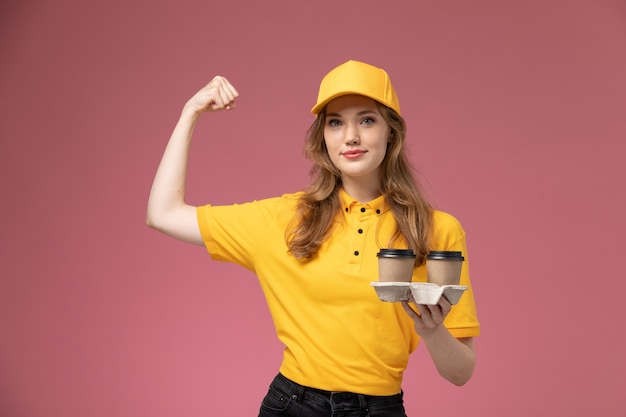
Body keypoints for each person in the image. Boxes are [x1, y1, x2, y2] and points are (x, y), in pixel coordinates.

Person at [146, 60, 480, 417]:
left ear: (391, 132)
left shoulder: (437, 230)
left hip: (381, 409)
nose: (350, 136)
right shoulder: (286, 219)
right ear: (323, 136)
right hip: (292, 407)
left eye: (367, 120)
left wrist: (431, 331)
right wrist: (189, 113)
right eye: (335, 123)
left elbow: (460, 373)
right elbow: (162, 214)